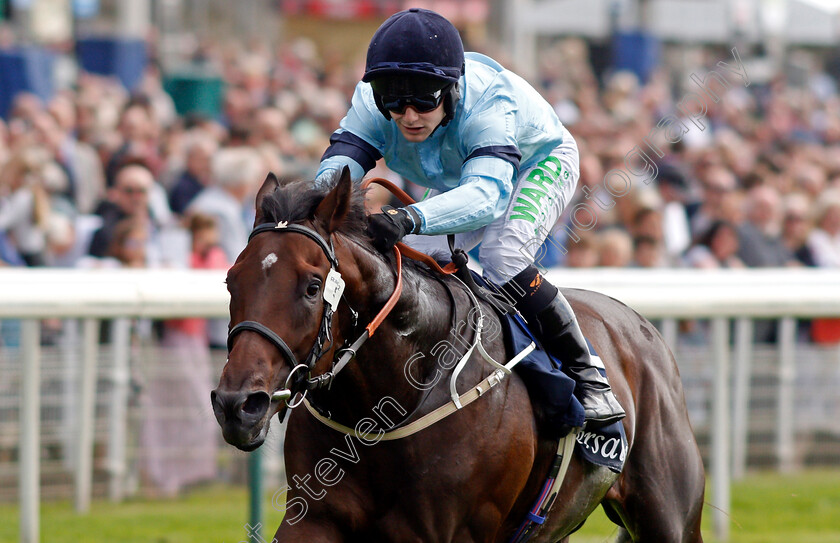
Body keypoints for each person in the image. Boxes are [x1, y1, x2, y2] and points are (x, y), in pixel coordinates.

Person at [315, 8, 624, 427]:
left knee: (503, 256)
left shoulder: (488, 100)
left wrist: (409, 218)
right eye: (395, 99)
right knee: (400, 259)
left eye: (423, 99)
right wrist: (313, 211)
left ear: (452, 89)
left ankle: (590, 377)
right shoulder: (370, 101)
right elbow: (338, 170)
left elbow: (487, 197)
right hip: (465, 173)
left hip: (534, 164)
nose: (408, 115)